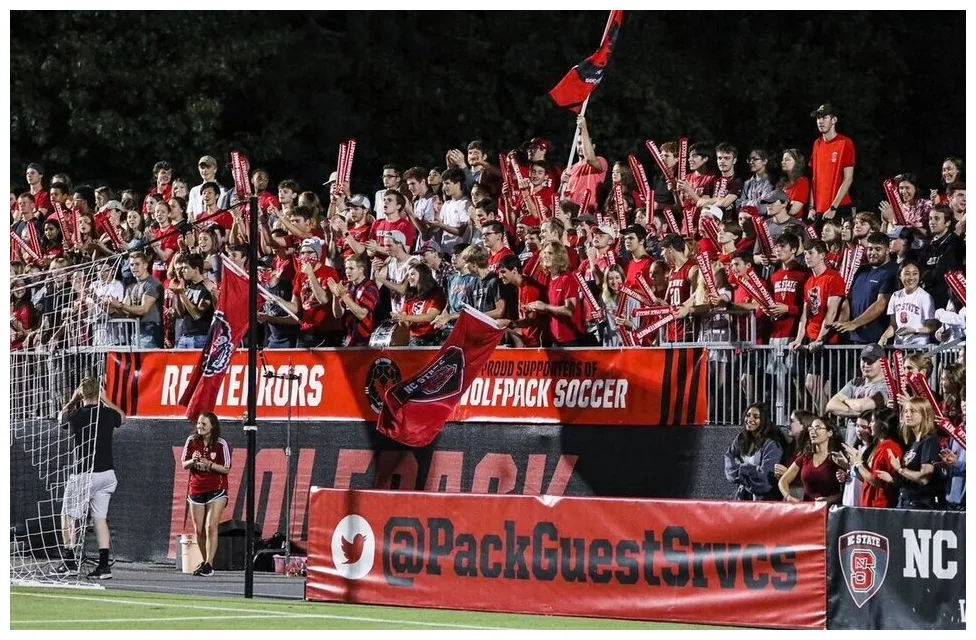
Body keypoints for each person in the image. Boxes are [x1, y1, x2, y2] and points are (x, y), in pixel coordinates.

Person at [49, 377, 125, 580]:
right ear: (99, 394)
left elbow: (61, 418)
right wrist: (106, 400)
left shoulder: (77, 414)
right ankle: (103, 566)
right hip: (107, 475)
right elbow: (123, 417)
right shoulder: (108, 413)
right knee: (99, 518)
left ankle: (69, 561)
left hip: (84, 474)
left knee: (68, 516)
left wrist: (72, 400)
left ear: (81, 394)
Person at [180, 412, 231, 577]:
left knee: (211, 526)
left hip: (216, 489)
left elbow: (226, 468)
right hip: (196, 488)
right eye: (199, 424)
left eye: (204, 424)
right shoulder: (191, 441)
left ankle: (209, 563)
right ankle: (204, 562)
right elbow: (184, 464)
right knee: (199, 530)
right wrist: (193, 461)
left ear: (212, 426)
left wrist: (210, 464)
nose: (200, 427)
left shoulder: (221, 444)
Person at [877, 397, 944, 509]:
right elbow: (911, 481)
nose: (907, 415)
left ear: (924, 414)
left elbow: (924, 478)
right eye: (906, 411)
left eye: (913, 411)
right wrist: (893, 480)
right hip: (905, 501)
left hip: (921, 505)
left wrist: (900, 469)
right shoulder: (913, 443)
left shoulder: (930, 441)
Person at [840, 408, 902, 509]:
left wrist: (858, 463)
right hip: (870, 505)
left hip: (880, 507)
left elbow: (876, 480)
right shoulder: (880, 447)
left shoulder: (888, 447)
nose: (870, 425)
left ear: (882, 425)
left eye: (873, 421)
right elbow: (868, 478)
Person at [724, 404, 786, 501]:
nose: (750, 419)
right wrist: (750, 471)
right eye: (748, 415)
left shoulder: (772, 444)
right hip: (742, 497)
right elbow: (729, 460)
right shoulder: (740, 438)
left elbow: (765, 479)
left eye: (756, 417)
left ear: (764, 420)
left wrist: (743, 470)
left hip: (765, 500)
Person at [777, 415, 844, 503]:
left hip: (831, 510)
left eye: (817, 428)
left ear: (829, 433)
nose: (812, 432)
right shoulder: (805, 457)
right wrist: (789, 497)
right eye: (811, 429)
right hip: (808, 511)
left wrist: (831, 499)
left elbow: (849, 489)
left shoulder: (838, 458)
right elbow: (783, 481)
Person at [808, 103, 855, 220]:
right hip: (819, 210)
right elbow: (814, 178)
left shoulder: (845, 143)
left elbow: (848, 178)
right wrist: (811, 207)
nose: (820, 121)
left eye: (824, 117)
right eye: (818, 118)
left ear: (834, 120)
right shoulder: (817, 143)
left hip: (839, 207)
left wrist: (834, 207)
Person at [877, 261, 937, 346]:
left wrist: (914, 330)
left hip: (919, 348)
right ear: (900, 276)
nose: (911, 277)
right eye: (907, 274)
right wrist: (884, 336)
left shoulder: (925, 297)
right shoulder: (895, 296)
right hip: (899, 346)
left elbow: (932, 327)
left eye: (915, 274)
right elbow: (893, 325)